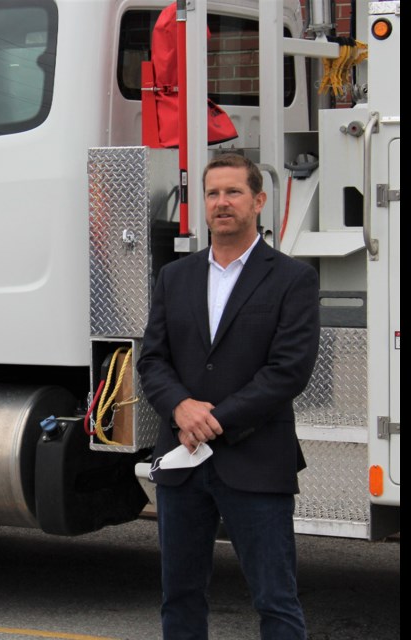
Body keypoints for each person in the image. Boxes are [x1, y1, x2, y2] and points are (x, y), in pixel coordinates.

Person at [137, 153, 320, 639]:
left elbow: (288, 372)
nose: (222, 203)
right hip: (182, 463)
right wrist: (180, 407)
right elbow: (152, 360)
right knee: (179, 597)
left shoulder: (292, 279)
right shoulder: (174, 278)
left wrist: (211, 420)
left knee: (275, 600)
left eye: (234, 192)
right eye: (213, 193)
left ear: (258, 201)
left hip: (256, 461)